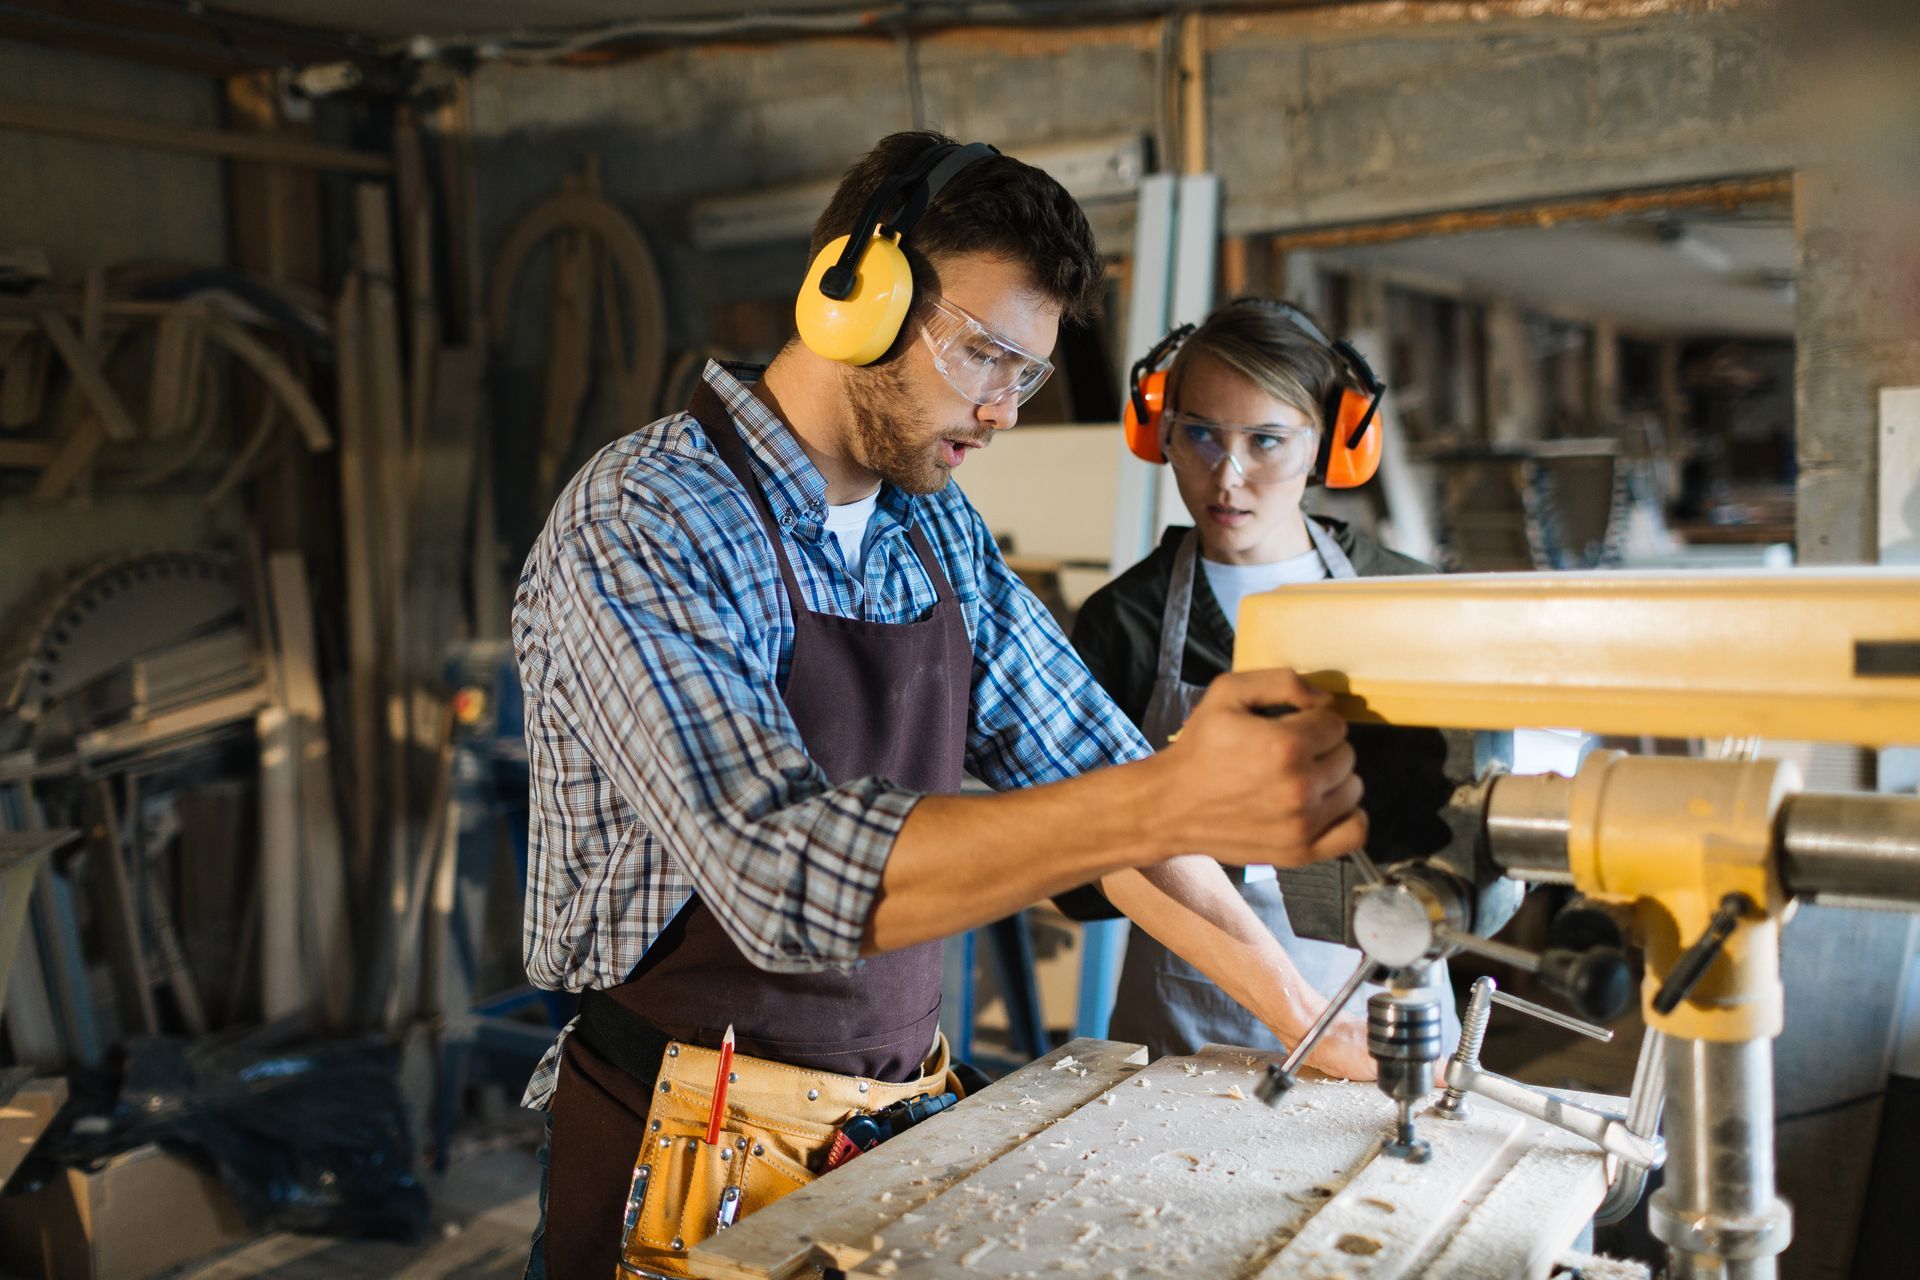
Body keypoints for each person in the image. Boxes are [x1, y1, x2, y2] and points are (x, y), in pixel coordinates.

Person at [512, 135, 1375, 1280]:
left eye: (1026, 373)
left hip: (891, 1126)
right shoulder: (646, 519)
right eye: (981, 353)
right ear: (850, 295)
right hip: (678, 1158)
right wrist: (1157, 794)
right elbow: (780, 874)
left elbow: (1095, 778)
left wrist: (1306, 1021)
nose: (1005, 409)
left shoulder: (935, 529)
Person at [1068, 296, 1462, 1062]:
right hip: (1187, 1028)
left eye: (1266, 441)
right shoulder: (1129, 620)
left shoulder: (1406, 601)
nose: (1228, 474)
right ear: (1161, 434)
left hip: (1385, 1003)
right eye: (1201, 435)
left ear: (1331, 444)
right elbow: (1080, 880)